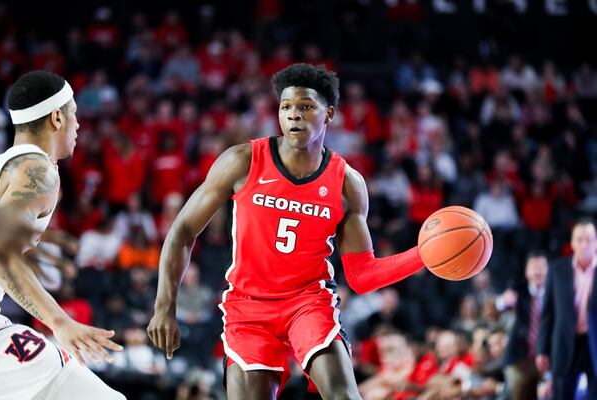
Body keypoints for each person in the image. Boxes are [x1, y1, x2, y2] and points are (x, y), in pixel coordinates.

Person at [148, 63, 427, 399]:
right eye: (286, 107)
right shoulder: (242, 160)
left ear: (329, 115)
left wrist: (423, 255)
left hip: (308, 302)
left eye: (306, 107)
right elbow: (182, 232)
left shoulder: (347, 183)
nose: (294, 115)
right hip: (249, 305)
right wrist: (165, 306)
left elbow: (361, 275)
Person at [0, 71, 125, 399]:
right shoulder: (38, 171)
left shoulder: (6, 165)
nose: (78, 126)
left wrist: (51, 243)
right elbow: (0, 251)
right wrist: (59, 321)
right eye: (75, 114)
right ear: (57, 117)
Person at [537, 219, 597, 399]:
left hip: (594, 343)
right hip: (564, 343)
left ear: (596, 242)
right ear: (572, 243)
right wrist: (542, 349)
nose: (584, 244)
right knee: (562, 395)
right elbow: (547, 314)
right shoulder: (557, 270)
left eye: (589, 239)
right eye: (579, 239)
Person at [501, 251, 548, 400]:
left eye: (541, 267)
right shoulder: (517, 289)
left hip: (547, 358)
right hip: (519, 358)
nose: (537, 271)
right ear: (526, 271)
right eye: (533, 267)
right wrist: (503, 301)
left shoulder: (556, 292)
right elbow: (499, 306)